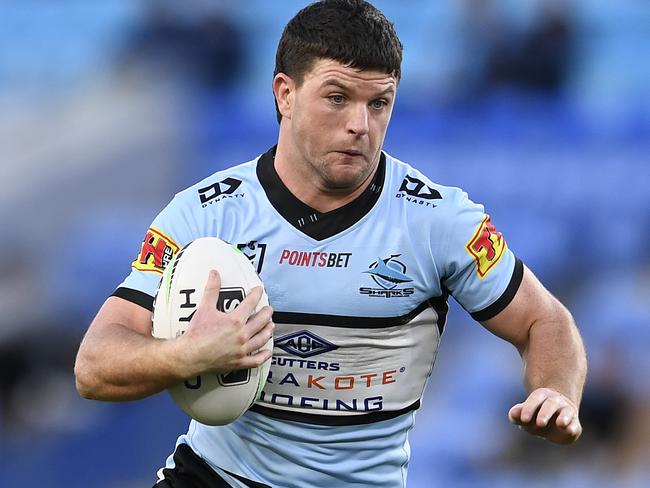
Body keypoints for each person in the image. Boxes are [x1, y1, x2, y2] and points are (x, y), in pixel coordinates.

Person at [74, 1, 587, 487]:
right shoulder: (207, 213)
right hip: (216, 478)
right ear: (285, 94)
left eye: (379, 103)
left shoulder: (439, 220)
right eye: (337, 97)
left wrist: (555, 392)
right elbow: (95, 365)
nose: (359, 125)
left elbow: (546, 321)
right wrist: (188, 355)